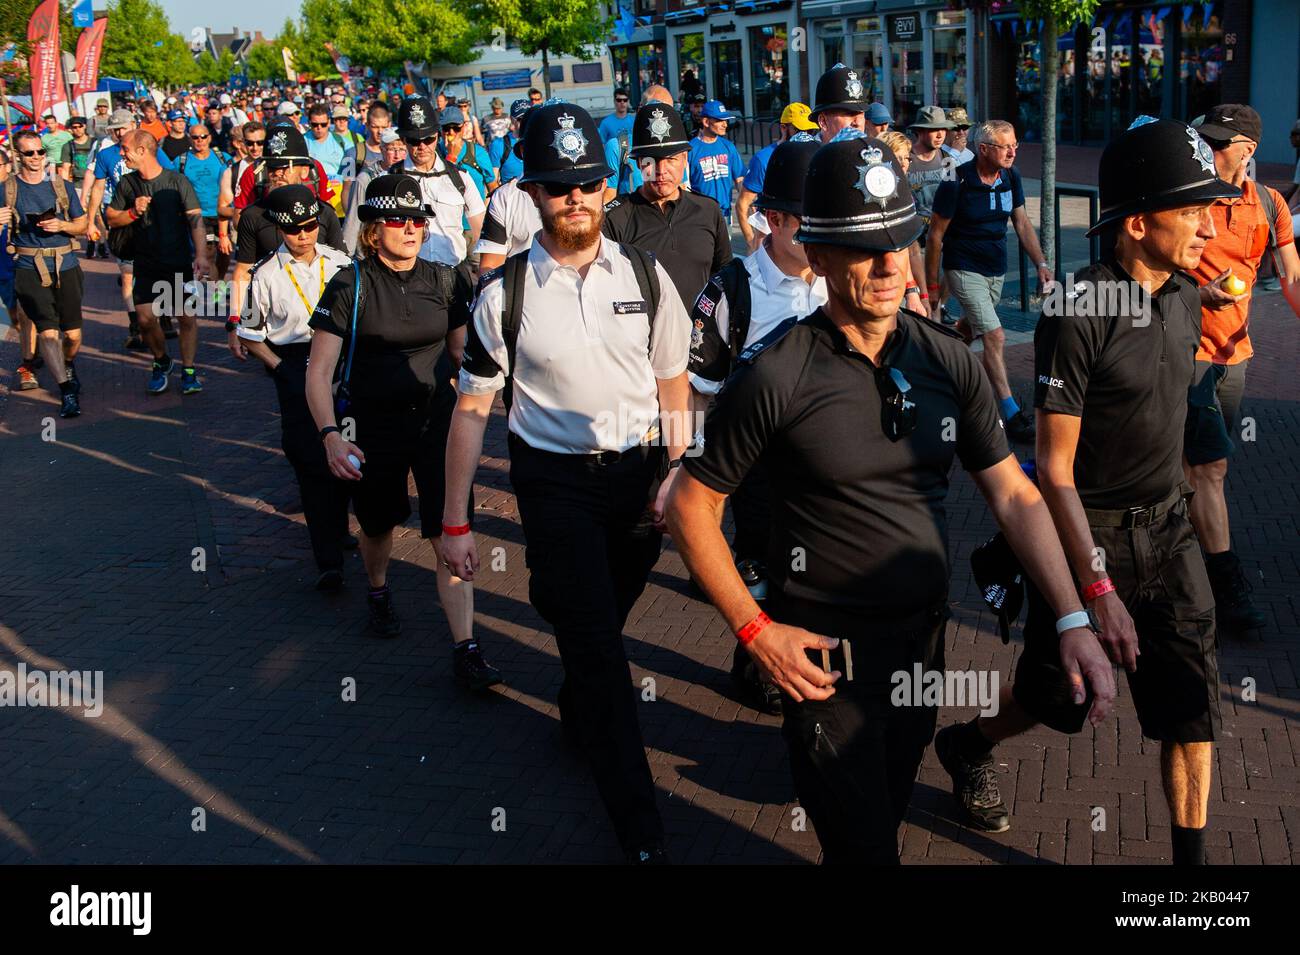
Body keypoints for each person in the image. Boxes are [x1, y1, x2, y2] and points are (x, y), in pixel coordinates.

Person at [665, 132, 1115, 864]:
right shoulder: (774, 376)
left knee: (889, 808)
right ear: (816, 252)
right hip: (823, 663)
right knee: (866, 847)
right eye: (864, 247)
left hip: (921, 649)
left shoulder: (947, 359)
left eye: (900, 241)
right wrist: (755, 632)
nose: (888, 265)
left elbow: (1012, 494)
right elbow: (689, 506)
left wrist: (1072, 615)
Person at [938, 119, 1235, 865]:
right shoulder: (1078, 311)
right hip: (1087, 536)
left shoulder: (1186, 296)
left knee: (1191, 713)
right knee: (1053, 698)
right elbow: (1055, 470)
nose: (1208, 224)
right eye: (1192, 209)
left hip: (1168, 534)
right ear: (1138, 223)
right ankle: (968, 742)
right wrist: (1095, 587)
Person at [441, 102, 691, 863]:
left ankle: (578, 696)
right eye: (557, 187)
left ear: (604, 188)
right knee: (601, 651)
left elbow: (676, 388)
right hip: (554, 488)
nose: (574, 199)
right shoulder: (503, 295)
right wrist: (456, 521)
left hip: (639, 479)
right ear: (533, 194)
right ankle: (641, 830)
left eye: (586, 184)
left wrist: (678, 472)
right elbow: (472, 411)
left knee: (598, 625)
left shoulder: (649, 279)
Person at [305, 173, 503, 691]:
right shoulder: (350, 284)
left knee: (449, 528)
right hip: (372, 427)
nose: (411, 228)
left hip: (438, 424)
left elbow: (463, 355)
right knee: (377, 524)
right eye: (398, 219)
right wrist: (330, 434)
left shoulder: (445, 279)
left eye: (417, 219)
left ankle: (466, 646)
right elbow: (318, 373)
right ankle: (377, 587)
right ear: (373, 229)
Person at [686, 136, 825, 714]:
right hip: (758, 469)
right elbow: (696, 392)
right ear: (772, 220)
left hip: (829, 466)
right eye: (808, 227)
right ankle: (755, 662)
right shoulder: (729, 292)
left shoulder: (838, 279)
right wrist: (684, 472)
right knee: (762, 568)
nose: (821, 241)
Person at [1184, 105, 1300, 634]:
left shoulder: (1271, 204)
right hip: (1185, 354)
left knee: (1212, 468)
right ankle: (1224, 581)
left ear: (1246, 150)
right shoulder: (1190, 197)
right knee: (1207, 467)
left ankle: (1185, 541)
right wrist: (1195, 293)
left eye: (1217, 141)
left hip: (1236, 356)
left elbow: (1291, 276)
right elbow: (1151, 271)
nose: (1206, 147)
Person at [229, 184, 354, 591]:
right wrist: (281, 368)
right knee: (310, 458)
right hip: (296, 362)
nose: (304, 235)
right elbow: (249, 333)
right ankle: (328, 558)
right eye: (294, 228)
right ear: (280, 229)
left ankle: (338, 526)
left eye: (310, 225)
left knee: (346, 452)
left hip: (340, 362)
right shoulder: (264, 274)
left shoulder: (339, 262)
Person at [927, 119, 1052, 443]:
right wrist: (933, 289)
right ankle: (1011, 412)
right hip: (963, 267)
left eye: (1015, 146)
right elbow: (936, 237)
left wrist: (1040, 263)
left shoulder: (1011, 177)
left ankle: (936, 378)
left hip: (995, 268)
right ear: (983, 149)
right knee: (995, 335)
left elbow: (1022, 223)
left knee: (967, 332)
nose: (1012, 152)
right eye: (1005, 146)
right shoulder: (956, 181)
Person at [104, 131, 212, 396]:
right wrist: (132, 211)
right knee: (145, 319)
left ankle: (188, 370)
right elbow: (111, 218)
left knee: (186, 317)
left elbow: (195, 220)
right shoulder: (127, 184)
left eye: (125, 148)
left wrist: (201, 255)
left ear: (142, 150)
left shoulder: (176, 181)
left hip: (177, 261)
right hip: (145, 262)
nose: (121, 153)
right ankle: (162, 360)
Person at [603, 103, 732, 311]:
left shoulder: (708, 211)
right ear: (638, 164)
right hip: (646, 340)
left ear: (684, 159)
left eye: (670, 159)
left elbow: (725, 277)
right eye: (651, 161)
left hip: (701, 337)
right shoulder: (615, 219)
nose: (661, 170)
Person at [1, 129, 89, 418]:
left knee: (73, 335)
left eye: (40, 152)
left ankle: (66, 364)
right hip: (28, 267)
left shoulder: (60, 186)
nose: (37, 158)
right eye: (30, 153)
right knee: (48, 333)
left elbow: (81, 224)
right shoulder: (7, 189)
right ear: (17, 156)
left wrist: (62, 226)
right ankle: (67, 391)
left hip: (65, 264)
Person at [392, 95, 485, 269]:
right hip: (407, 277)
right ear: (403, 140)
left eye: (428, 139)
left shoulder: (460, 178)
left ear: (437, 135)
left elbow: (482, 231)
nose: (422, 146)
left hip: (453, 274)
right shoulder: (389, 180)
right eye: (414, 140)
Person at [84, 109, 144, 346]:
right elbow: (98, 188)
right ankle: (135, 325)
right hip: (120, 219)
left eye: (123, 127)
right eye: (115, 129)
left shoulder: (148, 149)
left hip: (148, 220)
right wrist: (90, 221)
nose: (120, 133)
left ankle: (159, 318)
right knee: (127, 274)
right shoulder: (106, 154)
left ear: (133, 124)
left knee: (154, 273)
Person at [735, 103, 817, 252]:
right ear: (783, 128)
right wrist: (751, 242)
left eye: (810, 130)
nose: (805, 134)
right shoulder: (763, 159)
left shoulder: (817, 154)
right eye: (799, 129)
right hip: (774, 240)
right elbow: (742, 204)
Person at [176, 123, 233, 281]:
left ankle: (219, 280)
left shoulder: (223, 158)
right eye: (195, 137)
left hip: (222, 213)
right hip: (198, 215)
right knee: (208, 252)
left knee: (225, 253)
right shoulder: (181, 161)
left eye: (203, 137)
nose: (199, 140)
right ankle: (216, 292)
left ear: (209, 138)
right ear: (190, 139)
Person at [343, 130, 406, 254]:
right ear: (382, 150)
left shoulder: (410, 177)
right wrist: (345, 257)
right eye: (392, 149)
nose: (397, 155)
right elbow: (353, 219)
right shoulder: (365, 179)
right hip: (373, 252)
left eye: (402, 149)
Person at [686, 100, 745, 222]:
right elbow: (684, 186)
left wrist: (747, 202)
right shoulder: (690, 150)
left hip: (725, 214)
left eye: (725, 120)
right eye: (719, 120)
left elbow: (739, 178)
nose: (725, 125)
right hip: (700, 217)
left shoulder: (729, 147)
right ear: (706, 122)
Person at [438, 105, 495, 200]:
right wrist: (452, 156)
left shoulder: (478, 152)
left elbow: (492, 186)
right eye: (446, 128)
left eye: (456, 128)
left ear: (463, 127)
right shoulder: (435, 153)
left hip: (474, 213)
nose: (451, 132)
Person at [809, 64, 868, 142]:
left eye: (861, 114)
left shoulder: (874, 151)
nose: (858, 123)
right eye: (850, 114)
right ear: (823, 121)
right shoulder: (806, 154)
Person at [488, 100, 528, 185]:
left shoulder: (541, 141)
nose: (526, 122)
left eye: (529, 118)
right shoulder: (499, 145)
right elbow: (492, 182)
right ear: (512, 119)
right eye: (520, 119)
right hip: (511, 196)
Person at [58, 118, 97, 188]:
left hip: (95, 183)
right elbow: (65, 169)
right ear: (71, 129)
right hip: (78, 185)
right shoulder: (68, 146)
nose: (78, 129)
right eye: (74, 127)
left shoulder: (95, 143)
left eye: (80, 126)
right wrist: (66, 187)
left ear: (84, 126)